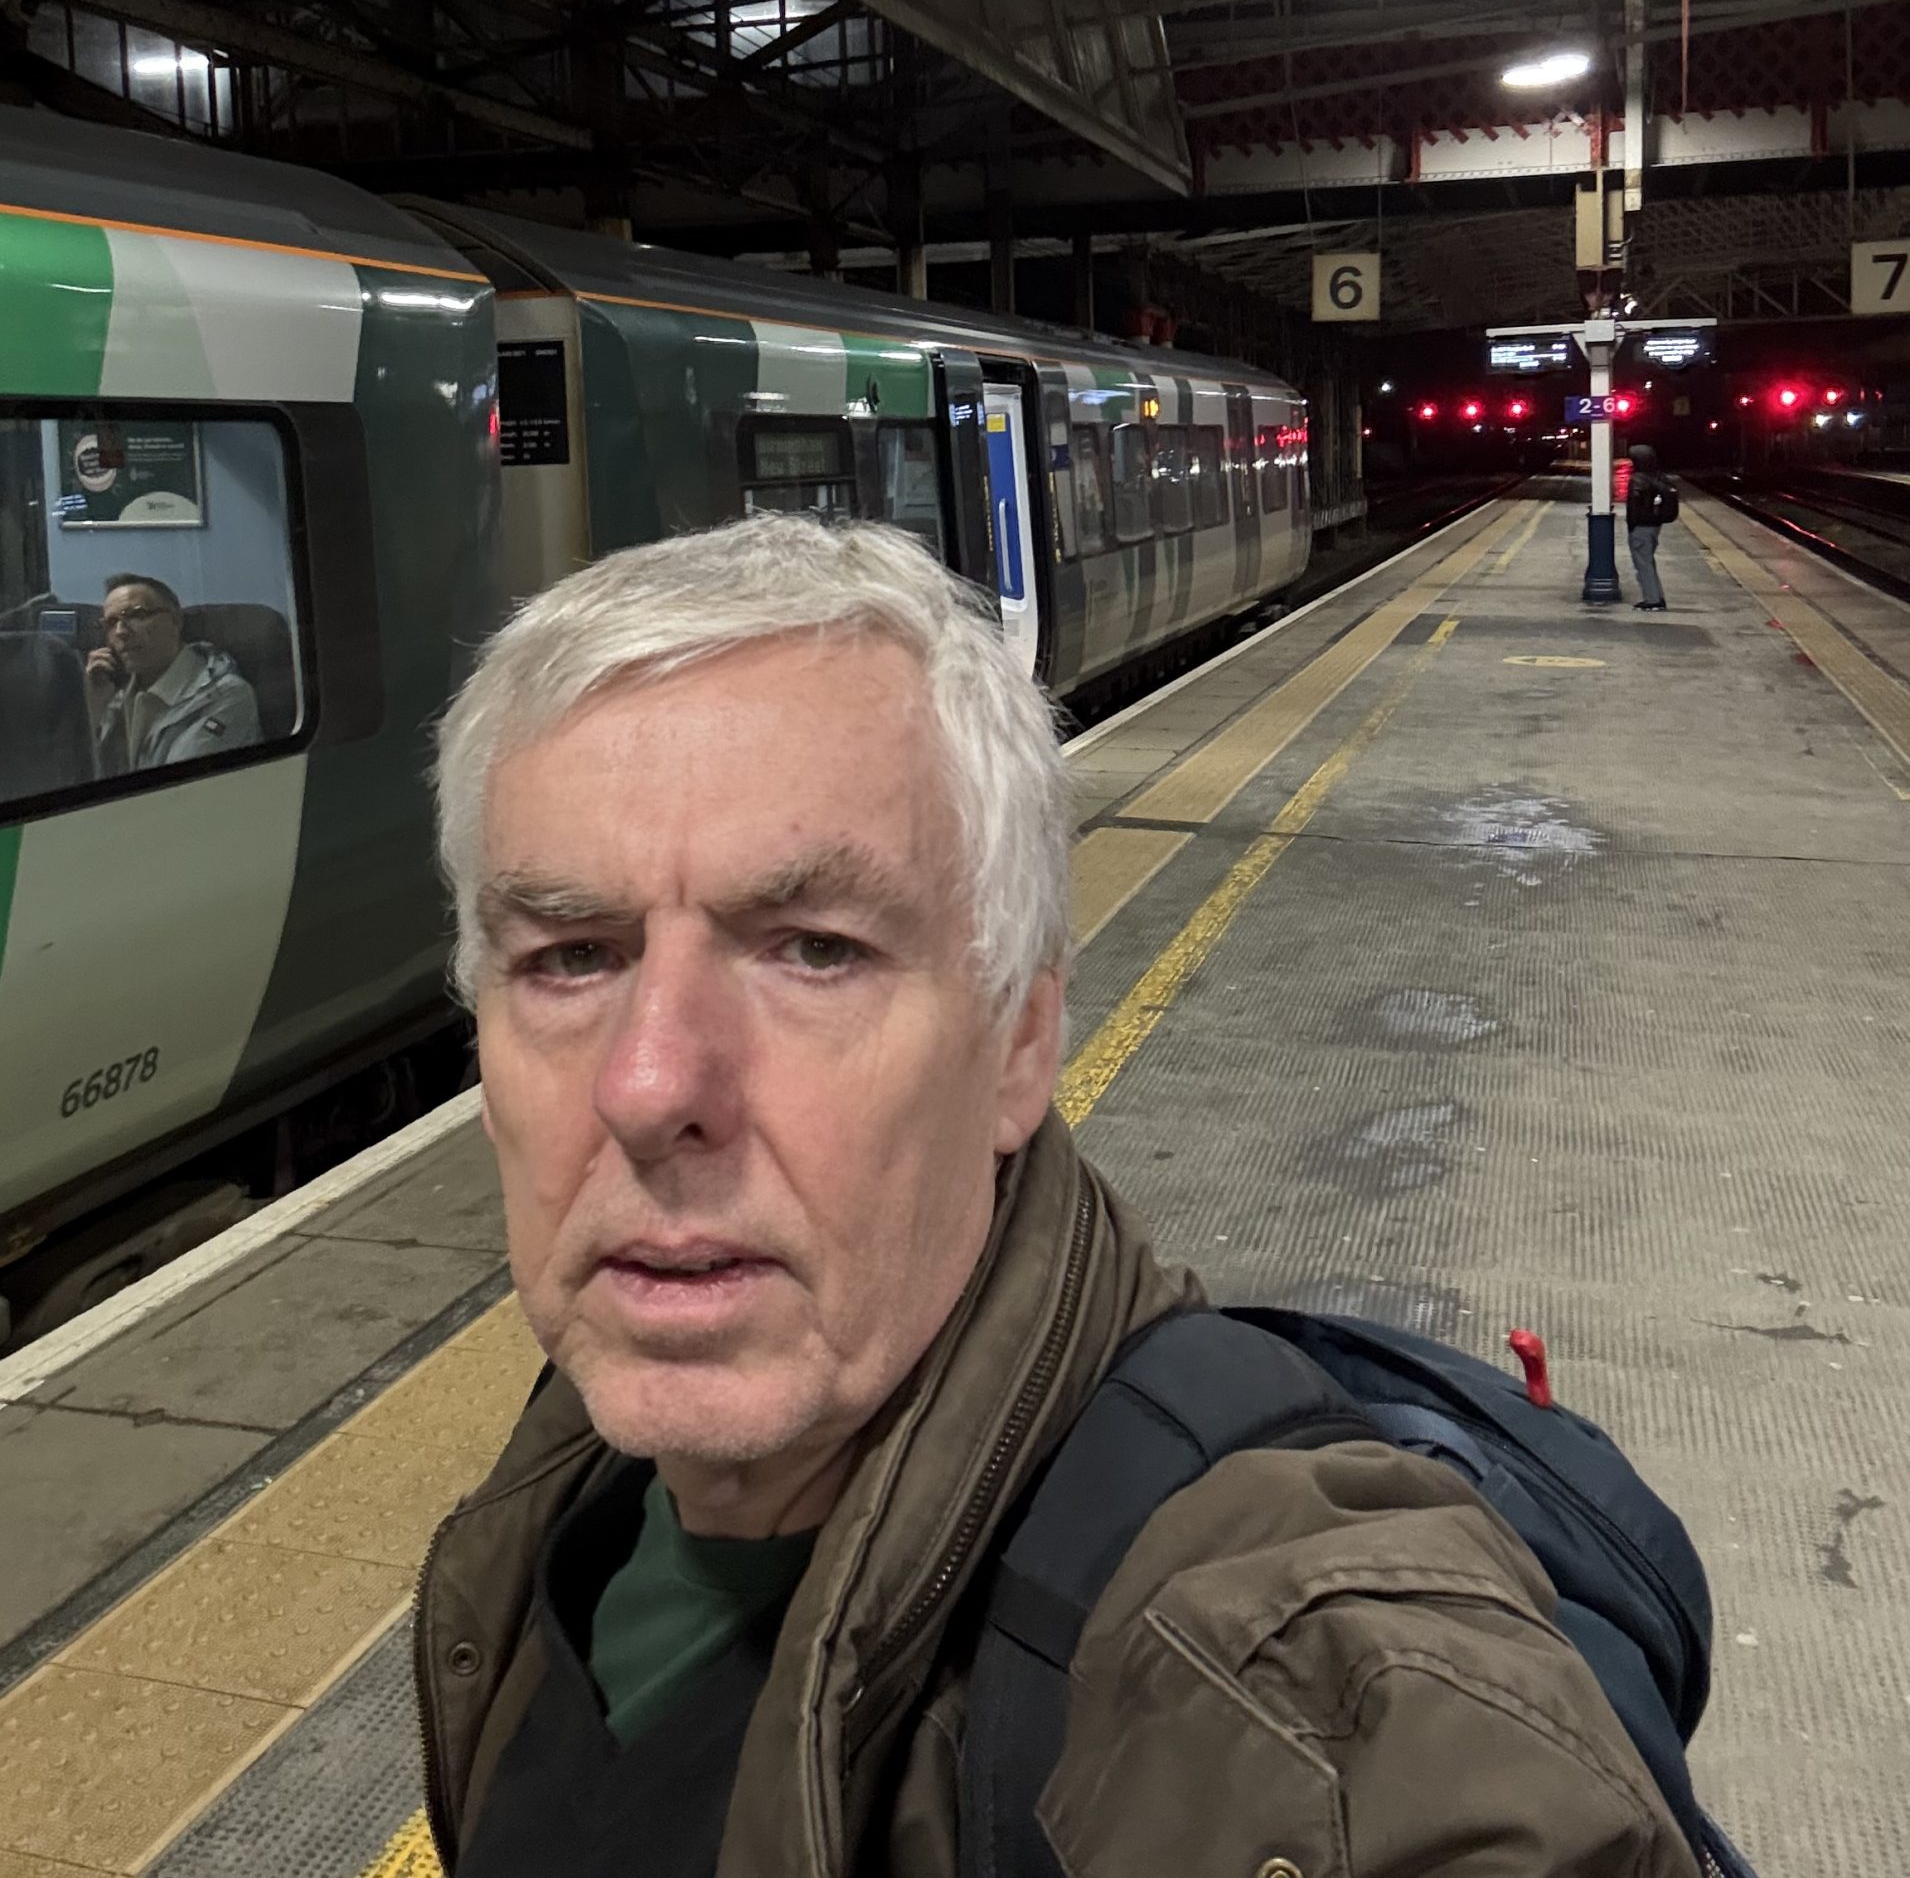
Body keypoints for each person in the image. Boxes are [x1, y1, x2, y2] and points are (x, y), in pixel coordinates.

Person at [418, 516, 1697, 1877]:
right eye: (569, 957)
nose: (648, 1082)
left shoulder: (1296, 1681)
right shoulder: (560, 1504)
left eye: (813, 951)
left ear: (1020, 1045)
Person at [85, 574, 262, 773]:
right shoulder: (116, 697)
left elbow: (178, 785)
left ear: (176, 621)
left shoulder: (227, 696)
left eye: (137, 615)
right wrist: (91, 709)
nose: (120, 632)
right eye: (111, 622)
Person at [1625, 443, 1680, 613]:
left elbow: (1634, 506)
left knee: (1643, 564)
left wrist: (1631, 525)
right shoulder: (1659, 477)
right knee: (1648, 561)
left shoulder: (1637, 479)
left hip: (1640, 527)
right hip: (1655, 526)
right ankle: (1657, 597)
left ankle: (1652, 600)